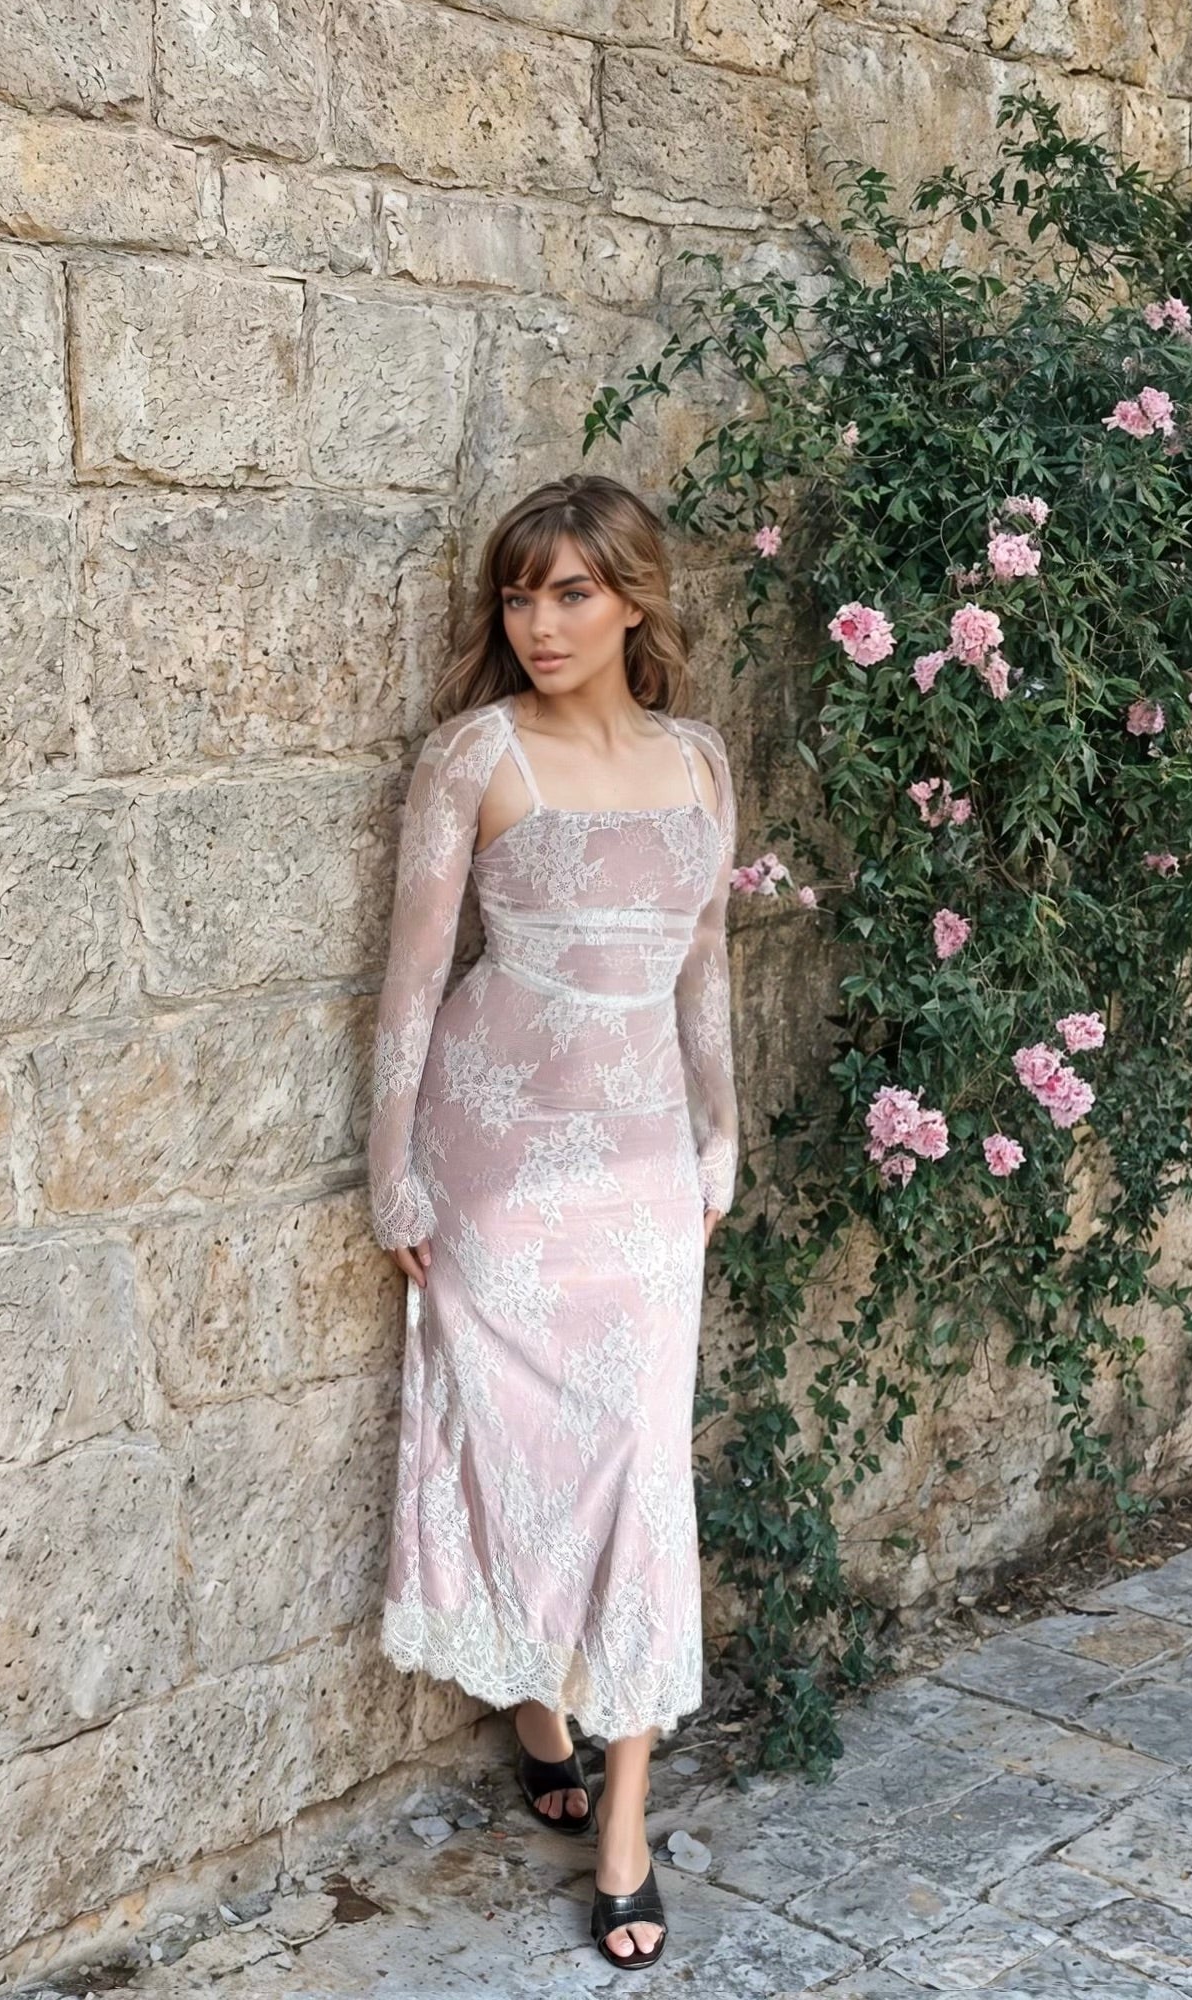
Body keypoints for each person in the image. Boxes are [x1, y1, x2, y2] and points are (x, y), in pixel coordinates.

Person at [365, 473, 739, 1970]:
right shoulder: (475, 754)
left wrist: (723, 1124)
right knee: (507, 1441)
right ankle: (535, 1701)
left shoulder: (702, 759)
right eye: (518, 597)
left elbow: (703, 966)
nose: (539, 623)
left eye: (571, 592)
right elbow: (408, 983)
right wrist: (391, 1162)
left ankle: (627, 1817)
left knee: (641, 1463)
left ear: (634, 599)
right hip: (498, 1159)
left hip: (645, 1166)